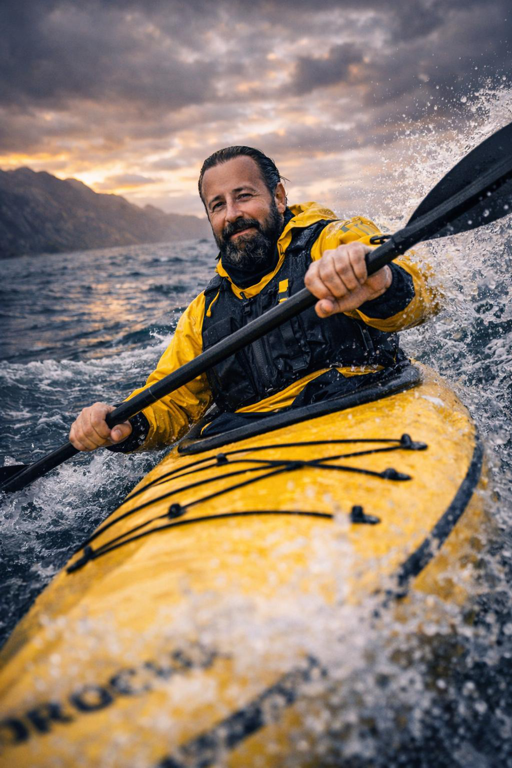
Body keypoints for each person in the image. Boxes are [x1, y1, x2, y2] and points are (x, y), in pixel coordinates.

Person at [69, 146, 437, 452]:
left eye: (243, 196)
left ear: (278, 197)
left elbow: (422, 288)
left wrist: (382, 284)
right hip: (249, 440)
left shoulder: (333, 241)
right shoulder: (205, 312)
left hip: (366, 403)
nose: (232, 214)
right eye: (217, 205)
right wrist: (125, 423)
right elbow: (172, 401)